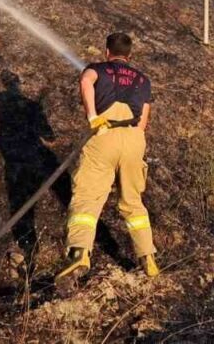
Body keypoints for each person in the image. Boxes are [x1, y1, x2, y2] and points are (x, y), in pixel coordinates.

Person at [55, 32, 158, 289]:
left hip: (103, 136)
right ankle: (148, 256)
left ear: (106, 51)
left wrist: (92, 116)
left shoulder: (97, 69)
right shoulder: (143, 80)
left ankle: (79, 253)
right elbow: (143, 122)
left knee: (88, 196)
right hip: (134, 140)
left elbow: (86, 81)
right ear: (129, 55)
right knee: (133, 202)